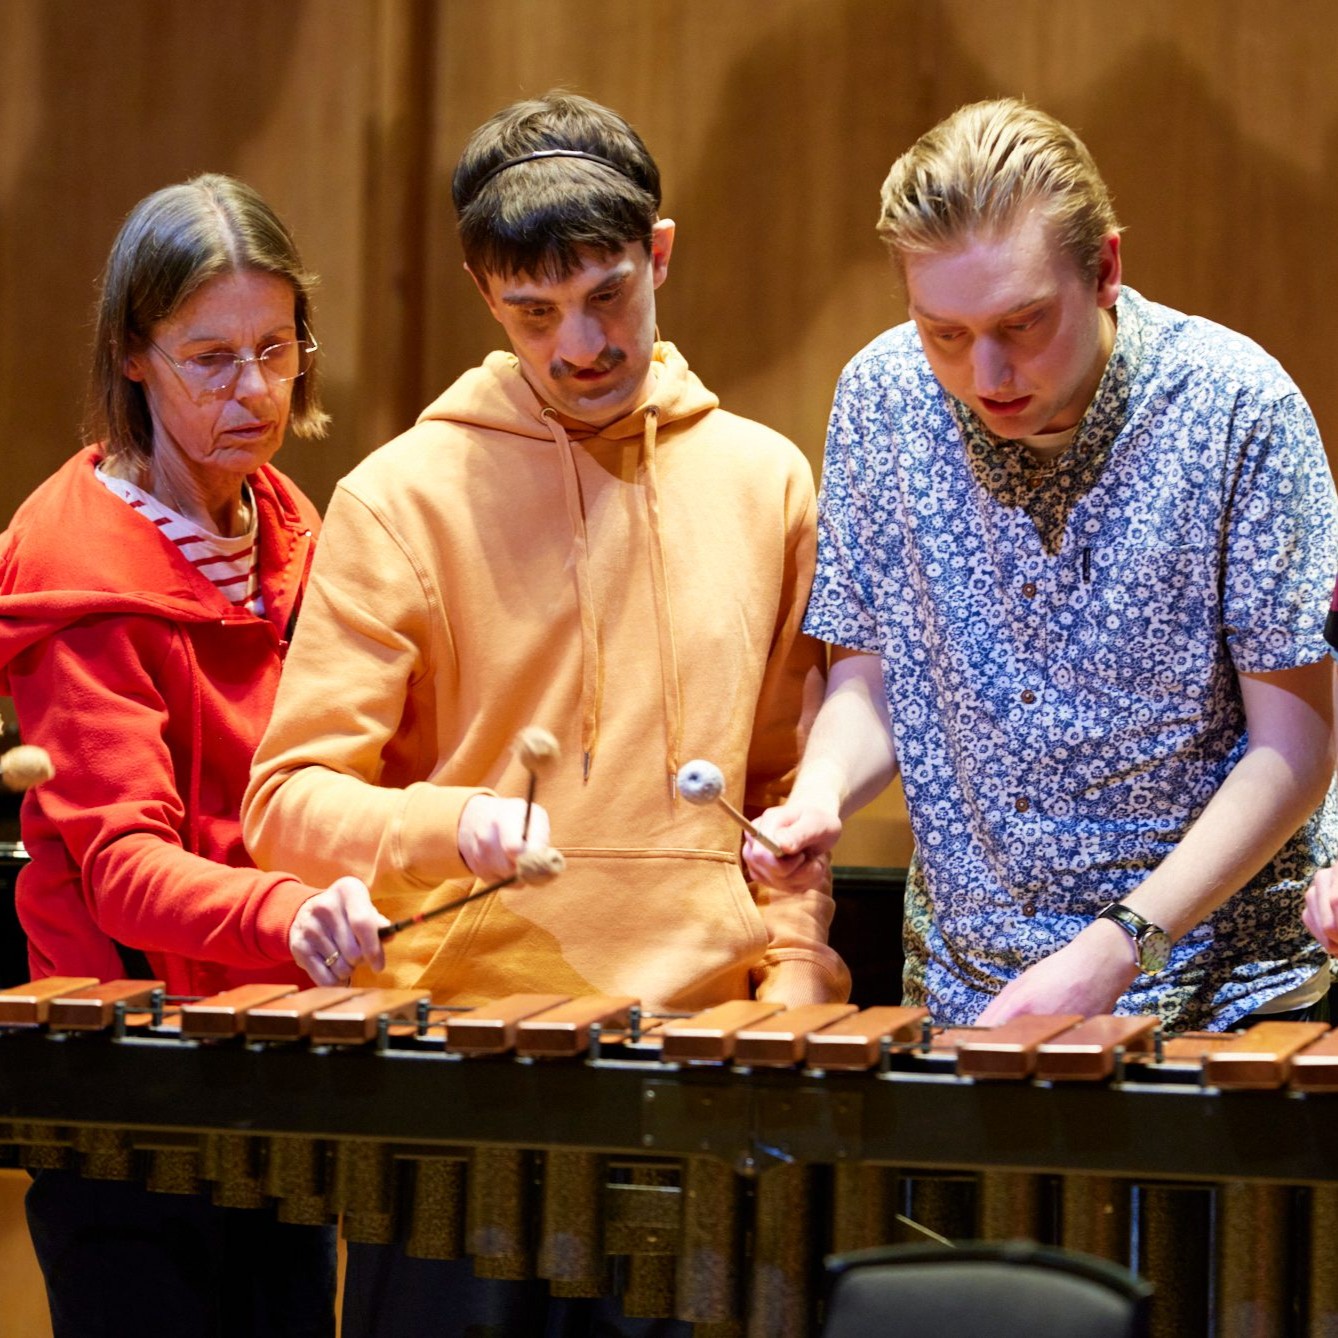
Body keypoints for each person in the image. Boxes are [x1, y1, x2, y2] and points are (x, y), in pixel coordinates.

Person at [242, 92, 848, 1334]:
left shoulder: (766, 482)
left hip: (706, 1074)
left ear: (660, 252)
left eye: (608, 295)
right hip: (459, 1086)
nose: (579, 344)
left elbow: (787, 792)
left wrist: (794, 977)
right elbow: (285, 802)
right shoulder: (399, 500)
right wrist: (455, 826)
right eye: (535, 312)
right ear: (483, 294)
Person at [745, 98, 1338, 1033]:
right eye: (943, 332)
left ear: (1104, 267)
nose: (986, 374)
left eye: (1022, 324)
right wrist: (820, 796)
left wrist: (1121, 944)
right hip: (968, 992)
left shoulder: (1239, 408)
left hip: (1220, 1000)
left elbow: (1295, 748)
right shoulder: (881, 397)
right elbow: (872, 676)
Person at [0, 174, 387, 1337]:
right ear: (132, 353)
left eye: (277, 346)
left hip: (270, 1045)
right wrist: (288, 910)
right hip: (132, 1079)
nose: (256, 389)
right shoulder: (80, 569)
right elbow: (120, 867)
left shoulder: (282, 522)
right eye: (209, 357)